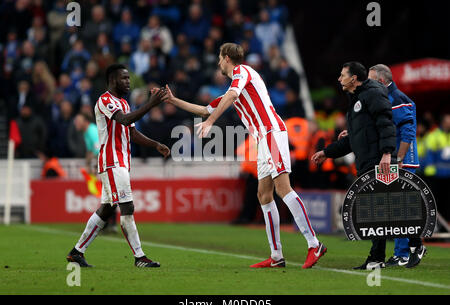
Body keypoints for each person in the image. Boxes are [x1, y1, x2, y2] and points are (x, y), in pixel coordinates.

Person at [166, 43, 327, 269]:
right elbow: (205, 109)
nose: (218, 63)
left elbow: (229, 98)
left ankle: (314, 244)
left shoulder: (243, 72)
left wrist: (211, 122)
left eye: (220, 58)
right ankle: (276, 256)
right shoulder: (235, 86)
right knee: (264, 194)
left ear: (228, 58)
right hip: (262, 139)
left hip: (271, 132)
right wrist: (173, 101)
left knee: (283, 188)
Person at [67, 64, 170, 268]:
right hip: (112, 161)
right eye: (124, 78)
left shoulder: (123, 102)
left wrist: (155, 144)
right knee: (127, 206)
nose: (128, 82)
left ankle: (76, 252)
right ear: (113, 80)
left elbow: (130, 132)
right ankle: (140, 257)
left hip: (121, 161)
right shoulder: (105, 100)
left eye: (129, 78)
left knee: (106, 209)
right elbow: (123, 120)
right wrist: (150, 105)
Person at [311, 61, 396, 270]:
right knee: (376, 211)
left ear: (354, 78)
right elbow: (354, 140)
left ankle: (385, 256)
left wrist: (387, 154)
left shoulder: (373, 94)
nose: (339, 79)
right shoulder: (356, 98)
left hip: (378, 160)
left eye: (343, 75)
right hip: (367, 161)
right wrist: (327, 152)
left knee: (380, 210)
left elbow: (386, 124)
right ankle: (378, 257)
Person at [367, 64, 425, 268]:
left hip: (402, 160)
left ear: (381, 82)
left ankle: (405, 251)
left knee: (399, 208)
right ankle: (410, 248)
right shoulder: (385, 99)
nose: (368, 84)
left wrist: (399, 159)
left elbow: (408, 132)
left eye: (371, 80)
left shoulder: (398, 99)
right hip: (392, 158)